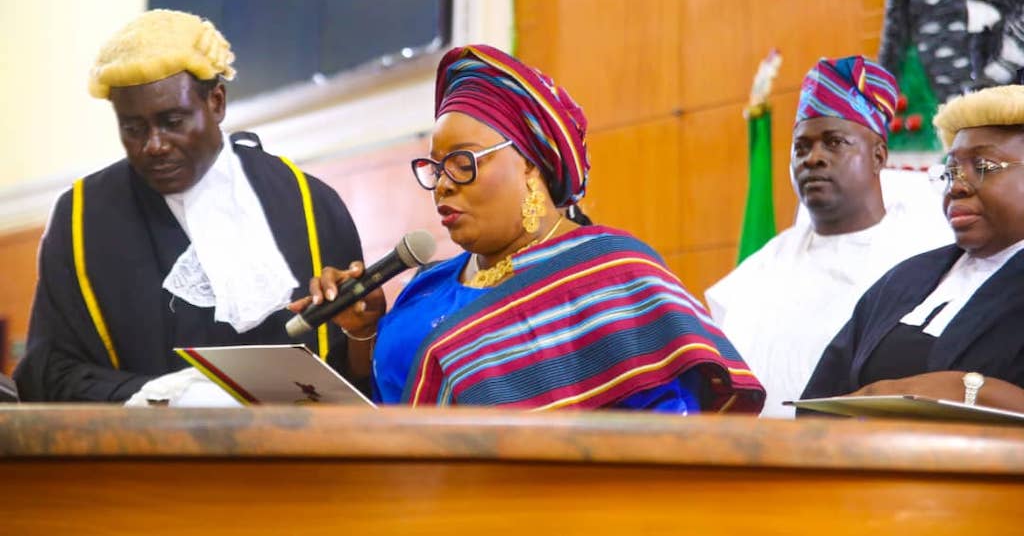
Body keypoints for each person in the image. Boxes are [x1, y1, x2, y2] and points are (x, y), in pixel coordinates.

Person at [295, 45, 764, 412]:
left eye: (462, 163)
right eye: (435, 168)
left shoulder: (616, 276)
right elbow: (384, 405)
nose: (441, 187)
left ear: (530, 166)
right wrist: (363, 331)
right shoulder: (426, 285)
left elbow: (661, 439)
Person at [14, 9, 363, 402]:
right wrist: (160, 396)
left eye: (173, 121)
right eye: (133, 129)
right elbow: (49, 374)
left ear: (216, 102)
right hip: (144, 456)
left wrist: (364, 330)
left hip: (290, 456)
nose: (154, 145)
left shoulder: (309, 204)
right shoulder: (81, 219)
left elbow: (355, 374)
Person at [705, 56, 951, 418]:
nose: (813, 158)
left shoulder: (928, 259)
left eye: (834, 142)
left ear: (878, 156)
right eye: (801, 147)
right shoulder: (756, 275)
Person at [802, 84, 1024, 412]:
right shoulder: (904, 279)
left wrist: (962, 390)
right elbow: (818, 406)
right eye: (950, 172)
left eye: (982, 167)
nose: (957, 187)